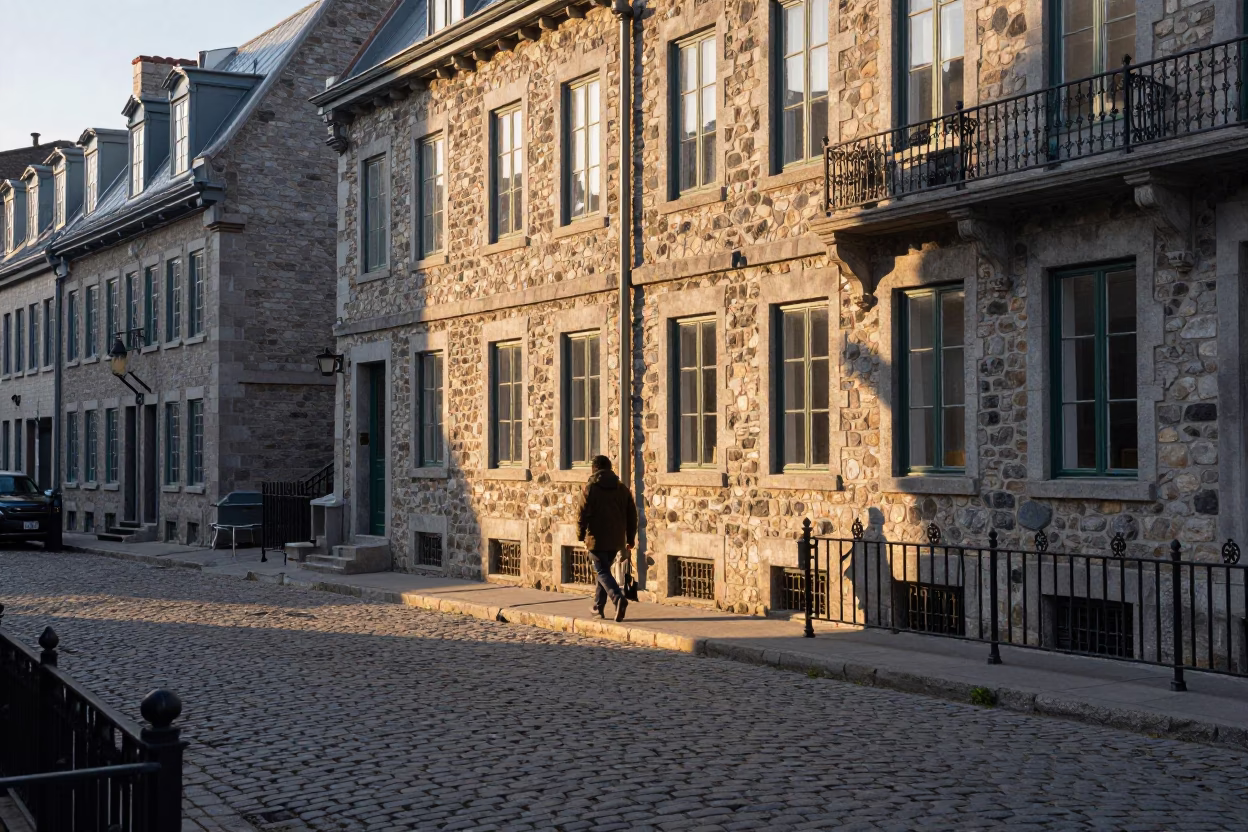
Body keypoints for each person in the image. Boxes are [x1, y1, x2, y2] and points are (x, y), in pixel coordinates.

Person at [575, 455, 638, 622]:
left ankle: (618, 599)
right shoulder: (622, 488)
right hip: (616, 540)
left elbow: (581, 514)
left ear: (594, 469)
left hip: (596, 539)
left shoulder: (590, 488)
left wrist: (580, 535)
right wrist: (630, 538)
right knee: (604, 572)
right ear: (610, 468)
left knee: (601, 571)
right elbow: (632, 515)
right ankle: (598, 607)